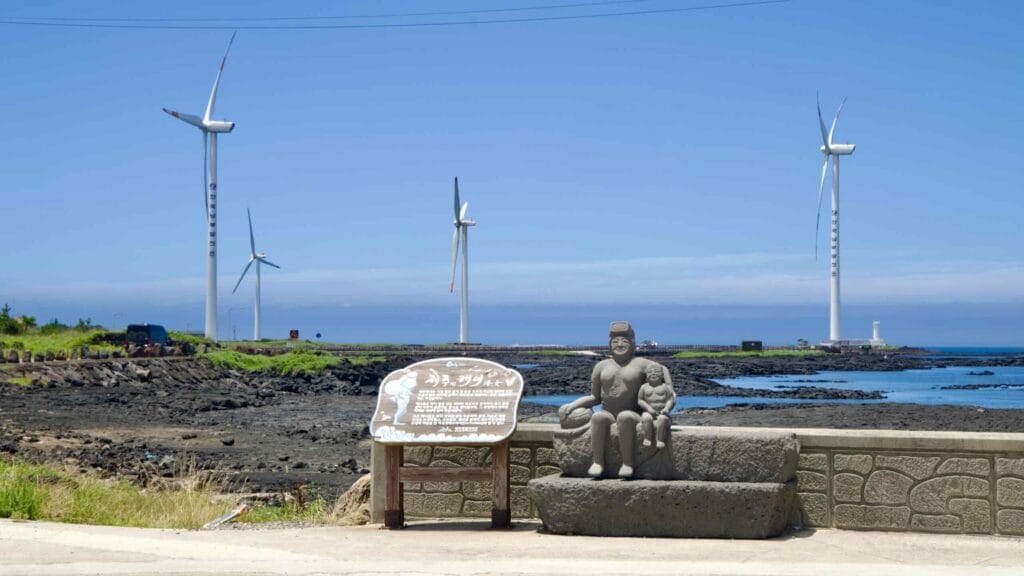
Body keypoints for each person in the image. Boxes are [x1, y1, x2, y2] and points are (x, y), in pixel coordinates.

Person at [558, 321, 672, 478]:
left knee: (624, 416)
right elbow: (594, 397)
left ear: (632, 345)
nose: (619, 344)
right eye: (615, 341)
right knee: (598, 417)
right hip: (608, 413)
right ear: (609, 345)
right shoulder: (601, 366)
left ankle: (627, 463)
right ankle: (598, 462)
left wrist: (669, 394)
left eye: (624, 341)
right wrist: (572, 405)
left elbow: (662, 369)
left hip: (633, 414)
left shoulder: (640, 363)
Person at [638, 363, 675, 449]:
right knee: (646, 418)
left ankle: (660, 439)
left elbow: (670, 400)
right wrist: (648, 408)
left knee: (662, 419)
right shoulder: (644, 387)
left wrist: (666, 409)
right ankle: (647, 438)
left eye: (657, 372)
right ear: (646, 376)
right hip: (649, 411)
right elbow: (640, 400)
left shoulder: (665, 387)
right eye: (650, 372)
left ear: (662, 375)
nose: (653, 374)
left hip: (662, 413)